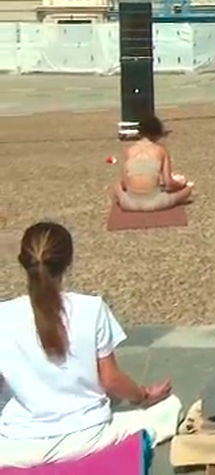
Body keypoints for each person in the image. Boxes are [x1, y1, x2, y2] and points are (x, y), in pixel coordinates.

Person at [0, 222, 181, 467]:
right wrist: (144, 396)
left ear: (23, 261)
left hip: (17, 445)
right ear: (69, 262)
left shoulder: (3, 315)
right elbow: (111, 380)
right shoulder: (91, 308)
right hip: (87, 437)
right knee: (170, 407)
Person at [114, 115, 193, 211]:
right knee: (188, 190)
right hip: (155, 203)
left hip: (129, 203)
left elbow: (125, 184)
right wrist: (182, 184)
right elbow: (169, 183)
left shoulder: (129, 150)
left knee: (117, 185)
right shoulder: (161, 150)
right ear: (158, 133)